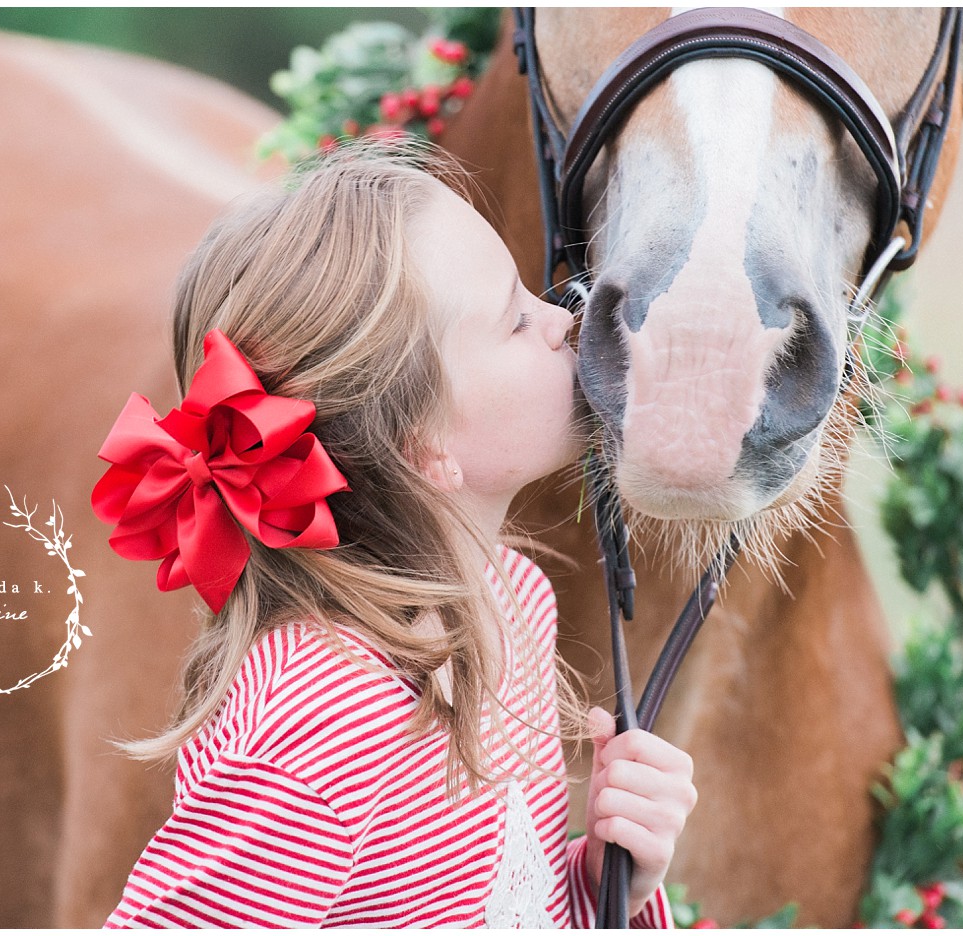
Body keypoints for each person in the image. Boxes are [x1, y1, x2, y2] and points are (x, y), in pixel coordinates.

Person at [91, 142, 696, 928]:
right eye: (513, 319)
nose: (561, 321)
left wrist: (603, 887)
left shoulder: (511, 597)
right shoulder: (316, 720)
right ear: (421, 443)